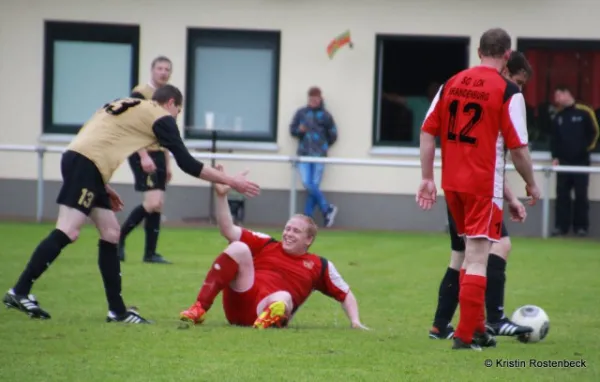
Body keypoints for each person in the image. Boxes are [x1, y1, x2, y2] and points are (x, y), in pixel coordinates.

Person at [3, 85, 260, 323]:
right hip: (87, 164)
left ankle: (117, 311)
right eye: (177, 112)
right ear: (171, 103)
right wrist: (232, 181)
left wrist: (101, 184)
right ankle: (19, 290)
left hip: (81, 160)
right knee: (69, 229)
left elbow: (97, 134)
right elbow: (188, 164)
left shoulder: (128, 103)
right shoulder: (161, 116)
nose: (176, 118)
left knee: (111, 233)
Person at [418, 28, 540, 351]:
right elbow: (518, 150)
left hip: (452, 185)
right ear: (507, 54)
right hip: (482, 185)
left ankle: (474, 329)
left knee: (464, 255)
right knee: (476, 259)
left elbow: (427, 132)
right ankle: (465, 335)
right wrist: (530, 183)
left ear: (478, 52)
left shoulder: (451, 83)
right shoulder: (508, 91)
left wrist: (427, 177)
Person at [179, 165, 368, 330]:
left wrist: (355, 321)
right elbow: (228, 230)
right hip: (241, 299)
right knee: (238, 247)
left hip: (267, 306)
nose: (288, 234)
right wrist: (221, 197)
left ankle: (269, 319)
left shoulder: (320, 266)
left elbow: (345, 293)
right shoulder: (266, 243)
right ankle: (199, 308)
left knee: (284, 297)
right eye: (287, 229)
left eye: (295, 231)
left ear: (308, 239)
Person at [119, 56, 174, 264]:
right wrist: (143, 155)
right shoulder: (140, 93)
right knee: (152, 202)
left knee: (158, 205)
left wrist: (167, 163)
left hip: (159, 153)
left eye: (167, 69)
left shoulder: (168, 96)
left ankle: (150, 253)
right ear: (152, 70)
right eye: (159, 68)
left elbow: (166, 131)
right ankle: (119, 238)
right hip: (143, 152)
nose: (163, 72)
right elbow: (132, 126)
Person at [550, 85, 599, 237]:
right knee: (562, 195)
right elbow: (554, 139)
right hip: (563, 163)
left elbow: (595, 132)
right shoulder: (558, 116)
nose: (556, 100)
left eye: (558, 95)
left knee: (581, 196)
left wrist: (586, 150)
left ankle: (581, 228)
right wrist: (555, 157)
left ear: (566, 94)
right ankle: (561, 227)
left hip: (581, 163)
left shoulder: (585, 112)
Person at [290, 86, 338, 227]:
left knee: (314, 185)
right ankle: (326, 208)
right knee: (308, 183)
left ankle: (307, 219)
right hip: (304, 155)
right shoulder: (301, 113)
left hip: (319, 156)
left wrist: (323, 145)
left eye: (315, 99)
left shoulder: (326, 116)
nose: (313, 101)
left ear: (320, 99)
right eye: (310, 99)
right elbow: (292, 130)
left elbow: (333, 134)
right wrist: (300, 131)